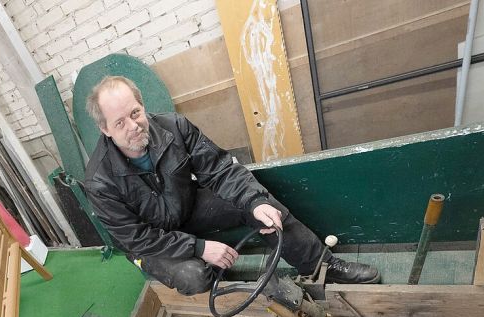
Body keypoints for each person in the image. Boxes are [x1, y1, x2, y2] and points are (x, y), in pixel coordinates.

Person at [81, 76, 379, 295]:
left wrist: (254, 202)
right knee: (194, 276)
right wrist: (199, 248)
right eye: (120, 123)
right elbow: (136, 239)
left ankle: (322, 265)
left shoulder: (174, 127)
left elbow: (220, 170)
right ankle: (227, 289)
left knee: (263, 207)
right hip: (149, 243)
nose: (133, 126)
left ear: (142, 105)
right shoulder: (99, 182)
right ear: (105, 129)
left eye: (135, 113)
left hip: (186, 207)